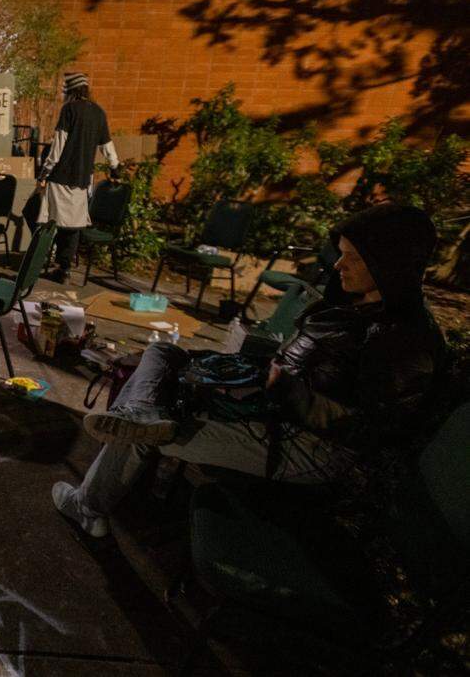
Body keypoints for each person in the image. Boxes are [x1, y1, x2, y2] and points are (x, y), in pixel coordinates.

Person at [53, 203, 445, 538]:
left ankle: (90, 506)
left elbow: (372, 429)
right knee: (160, 355)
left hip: (301, 445)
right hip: (267, 405)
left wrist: (290, 392)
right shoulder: (353, 302)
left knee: (143, 426)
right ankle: (144, 414)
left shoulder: (404, 341)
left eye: (354, 258)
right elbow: (305, 359)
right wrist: (248, 369)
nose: (340, 265)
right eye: (341, 253)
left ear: (389, 264)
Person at [37, 73, 120, 283]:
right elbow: (107, 146)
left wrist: (45, 171)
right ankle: (63, 269)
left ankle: (41, 259)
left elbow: (58, 145)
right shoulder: (99, 113)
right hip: (83, 179)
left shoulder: (70, 110)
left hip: (61, 175)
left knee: (44, 218)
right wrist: (115, 167)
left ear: (70, 91)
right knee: (72, 226)